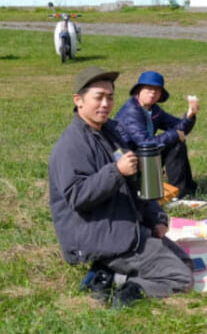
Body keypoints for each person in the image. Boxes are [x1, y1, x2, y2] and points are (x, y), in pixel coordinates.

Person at [48, 66, 194, 307]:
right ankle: (130, 291)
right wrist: (115, 172)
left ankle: (106, 274)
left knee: (185, 263)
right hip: (99, 236)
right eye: (98, 97)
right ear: (79, 100)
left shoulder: (110, 131)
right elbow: (77, 197)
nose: (106, 103)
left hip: (125, 226)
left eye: (110, 97)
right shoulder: (71, 145)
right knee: (179, 277)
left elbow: (136, 183)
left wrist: (156, 218)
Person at [114, 71, 199, 200]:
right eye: (148, 89)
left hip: (144, 155)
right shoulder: (131, 112)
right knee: (174, 141)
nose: (153, 93)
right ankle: (177, 196)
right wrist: (175, 135)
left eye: (157, 90)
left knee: (176, 143)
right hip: (127, 162)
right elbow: (145, 142)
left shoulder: (154, 110)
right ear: (139, 90)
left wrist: (190, 115)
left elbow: (179, 128)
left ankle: (186, 188)